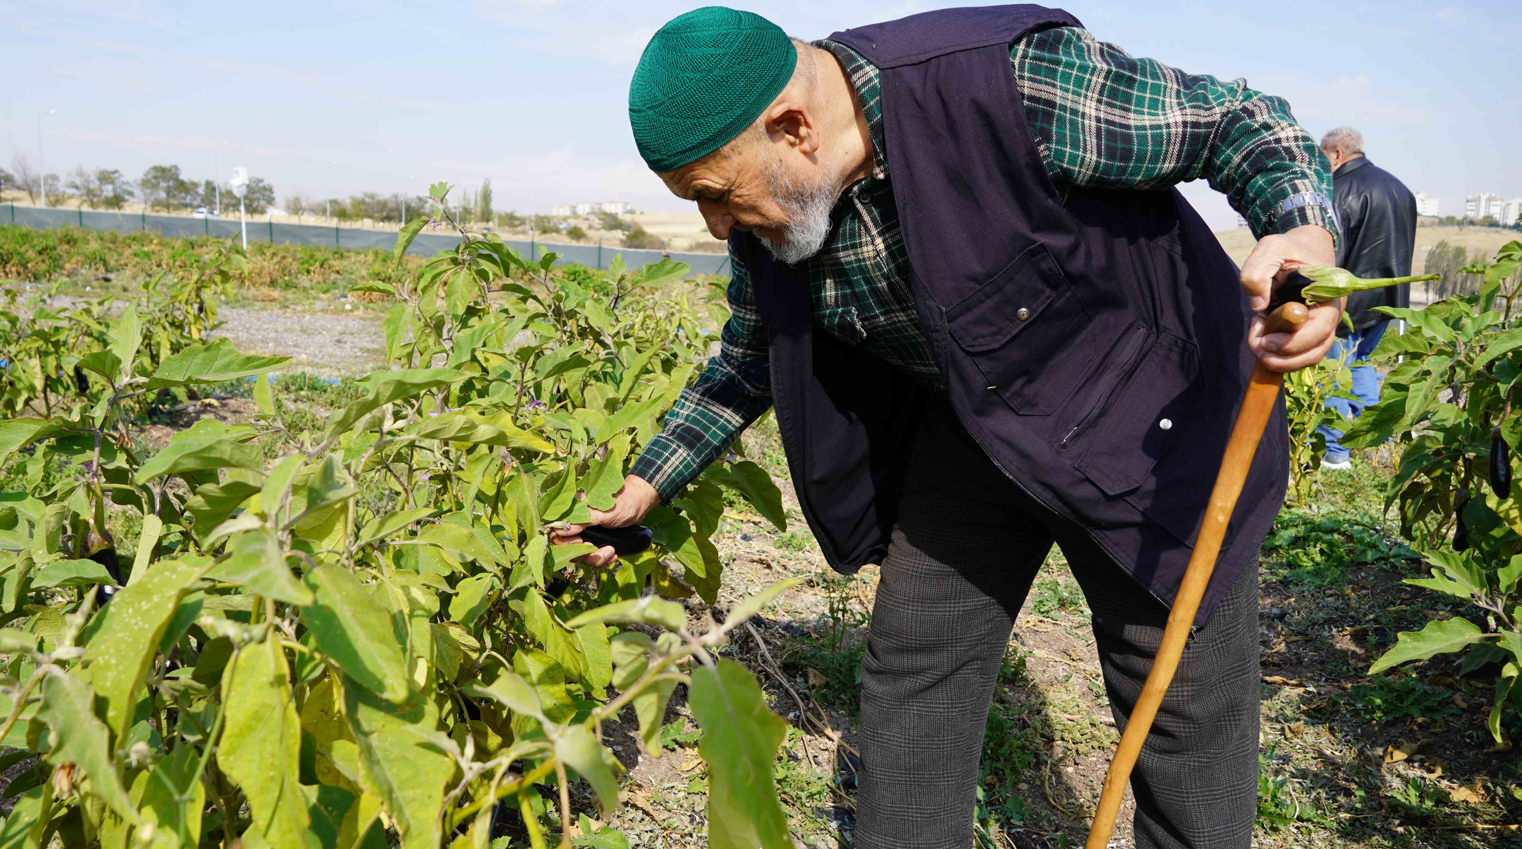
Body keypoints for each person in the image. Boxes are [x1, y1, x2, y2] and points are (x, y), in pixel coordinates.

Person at [554, 7, 1342, 848]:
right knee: (915, 669)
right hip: (979, 423)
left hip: (1151, 418)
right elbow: (747, 360)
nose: (715, 226)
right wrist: (646, 486)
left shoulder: (1005, 88)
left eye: (715, 194)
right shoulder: (776, 212)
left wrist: (1300, 227)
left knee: (1180, 705)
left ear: (792, 128)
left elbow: (1237, 121)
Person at [1315, 126, 1418, 469]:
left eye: (1322, 157)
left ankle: (1336, 452)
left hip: (1348, 303)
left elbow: (1332, 252)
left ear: (1337, 154)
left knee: (1333, 373)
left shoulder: (1339, 191)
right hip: (1389, 299)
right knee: (1361, 365)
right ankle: (1382, 447)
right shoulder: (1399, 188)